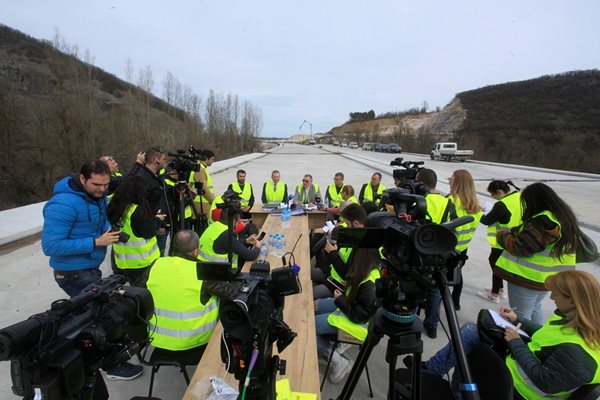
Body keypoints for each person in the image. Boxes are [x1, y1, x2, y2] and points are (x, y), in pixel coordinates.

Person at [417, 270, 600, 399]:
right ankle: (436, 372)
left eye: (556, 295)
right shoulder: (573, 319)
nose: (551, 298)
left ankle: (457, 390)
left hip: (519, 390)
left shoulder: (579, 355)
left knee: (473, 354)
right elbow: (544, 334)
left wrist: (516, 342)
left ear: (573, 302)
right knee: (471, 332)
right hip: (519, 369)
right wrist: (516, 319)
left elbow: (543, 381)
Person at [41, 160, 143, 380]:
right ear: (82, 179)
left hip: (89, 269)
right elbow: (50, 246)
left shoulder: (95, 198)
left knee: (95, 317)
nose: (102, 189)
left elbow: (99, 220)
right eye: (97, 184)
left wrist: (111, 230)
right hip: (72, 273)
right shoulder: (63, 205)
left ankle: (91, 357)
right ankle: (111, 367)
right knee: (102, 321)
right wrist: (95, 242)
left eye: (106, 185)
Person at [494, 182, 579, 324]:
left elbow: (520, 247)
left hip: (527, 279)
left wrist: (502, 235)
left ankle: (522, 342)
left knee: (520, 316)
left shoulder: (543, 221)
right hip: (546, 278)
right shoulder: (562, 217)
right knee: (534, 308)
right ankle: (535, 338)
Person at [146, 230, 238, 357]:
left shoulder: (156, 264)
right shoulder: (202, 271)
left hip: (157, 339)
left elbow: (140, 291)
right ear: (195, 251)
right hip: (195, 342)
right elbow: (232, 294)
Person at [314, 246, 381, 384]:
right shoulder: (366, 271)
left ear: (360, 260)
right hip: (349, 306)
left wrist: (340, 299)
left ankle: (339, 361)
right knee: (315, 305)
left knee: (308, 327)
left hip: (358, 324)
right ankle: (330, 345)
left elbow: (359, 316)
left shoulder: (369, 285)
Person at [415, 168, 457, 339]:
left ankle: (409, 321)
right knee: (436, 290)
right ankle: (432, 325)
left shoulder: (418, 200)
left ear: (420, 183)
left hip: (418, 251)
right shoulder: (447, 203)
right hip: (440, 254)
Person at [107, 176, 166, 287]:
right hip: (142, 263)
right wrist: (157, 220)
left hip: (122, 263)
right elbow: (146, 231)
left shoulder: (114, 206)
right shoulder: (137, 210)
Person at [477, 180, 522, 304]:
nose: (493, 197)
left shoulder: (502, 205)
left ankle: (495, 294)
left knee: (495, 264)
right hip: (516, 238)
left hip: (502, 240)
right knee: (499, 263)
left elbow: (486, 220)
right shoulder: (518, 196)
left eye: (493, 195)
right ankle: (500, 289)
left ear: (499, 192)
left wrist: (477, 212)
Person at [312, 204, 367, 300]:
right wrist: (334, 250)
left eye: (347, 224)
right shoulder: (352, 235)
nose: (346, 226)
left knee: (308, 294)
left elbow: (346, 274)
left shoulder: (363, 247)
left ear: (356, 223)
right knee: (303, 273)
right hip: (330, 276)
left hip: (337, 286)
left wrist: (332, 253)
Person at [446, 170, 483, 310]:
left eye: (452, 178)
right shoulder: (475, 206)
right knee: (457, 274)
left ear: (457, 182)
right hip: (463, 247)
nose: (449, 180)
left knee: (441, 277)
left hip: (448, 247)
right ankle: (456, 301)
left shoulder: (451, 201)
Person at [198, 203, 261, 268]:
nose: (239, 222)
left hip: (204, 268)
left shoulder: (214, 225)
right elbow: (251, 256)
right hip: (218, 272)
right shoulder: (226, 234)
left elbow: (230, 244)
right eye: (239, 219)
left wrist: (247, 241)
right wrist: (258, 247)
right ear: (234, 220)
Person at [134, 147, 172, 256]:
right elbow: (144, 206)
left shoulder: (156, 177)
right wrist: (156, 224)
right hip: (148, 230)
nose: (165, 162)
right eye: (164, 159)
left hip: (157, 224)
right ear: (156, 160)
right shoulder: (143, 178)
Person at [193, 149, 216, 224]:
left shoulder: (202, 168)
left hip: (203, 204)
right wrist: (214, 201)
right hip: (201, 205)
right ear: (206, 158)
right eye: (212, 159)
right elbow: (204, 188)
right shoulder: (200, 170)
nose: (213, 162)